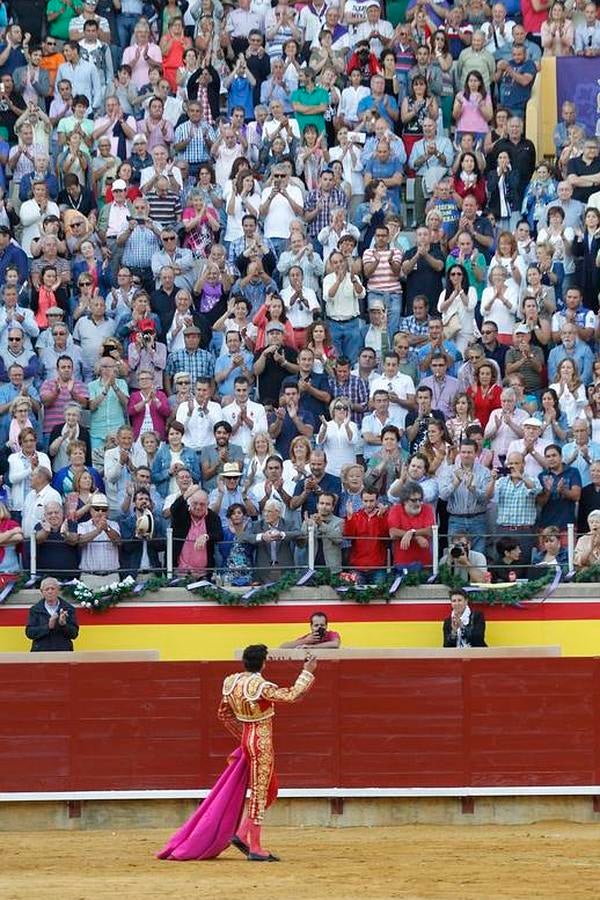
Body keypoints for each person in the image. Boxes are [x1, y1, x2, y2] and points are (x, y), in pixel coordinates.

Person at [158, 644, 316, 862]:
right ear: (263, 662)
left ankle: (241, 835)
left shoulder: (231, 682)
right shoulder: (260, 686)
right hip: (260, 743)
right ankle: (256, 848)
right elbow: (290, 695)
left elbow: (223, 714)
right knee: (260, 793)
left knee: (270, 789)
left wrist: (244, 737)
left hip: (247, 740)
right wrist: (307, 671)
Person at [25, 576, 79, 652]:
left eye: (53, 589)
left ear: (58, 590)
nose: (50, 592)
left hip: (63, 652)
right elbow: (29, 633)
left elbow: (74, 634)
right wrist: (48, 627)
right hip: (40, 653)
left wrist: (63, 625)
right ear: (42, 592)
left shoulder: (68, 608)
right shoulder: (35, 609)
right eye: (47, 589)